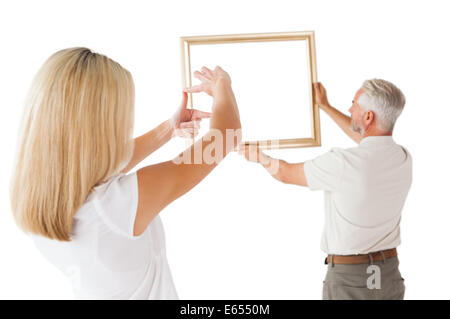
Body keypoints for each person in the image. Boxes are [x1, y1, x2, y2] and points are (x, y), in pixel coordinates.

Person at [9, 47, 241, 299]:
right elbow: (227, 136)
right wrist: (222, 87)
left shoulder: (35, 193)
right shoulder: (116, 208)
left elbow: (99, 163)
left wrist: (169, 129)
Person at [241, 80, 412, 300]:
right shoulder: (403, 158)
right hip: (388, 275)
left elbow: (285, 173)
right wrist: (326, 106)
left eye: (353, 104)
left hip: (351, 279)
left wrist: (260, 157)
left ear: (369, 117)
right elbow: (370, 140)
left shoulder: (342, 163)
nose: (350, 109)